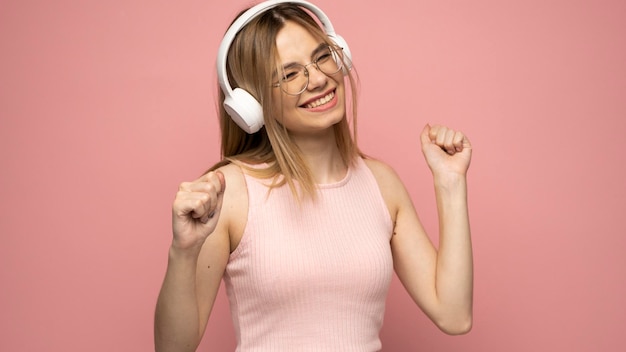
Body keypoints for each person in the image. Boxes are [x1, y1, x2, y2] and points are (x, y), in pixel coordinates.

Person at [154, 1, 473, 351]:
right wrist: (182, 252)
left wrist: (450, 182)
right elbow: (173, 348)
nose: (319, 79)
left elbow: (454, 315)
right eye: (290, 74)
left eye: (322, 56)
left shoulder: (382, 183)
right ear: (251, 106)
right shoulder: (229, 193)